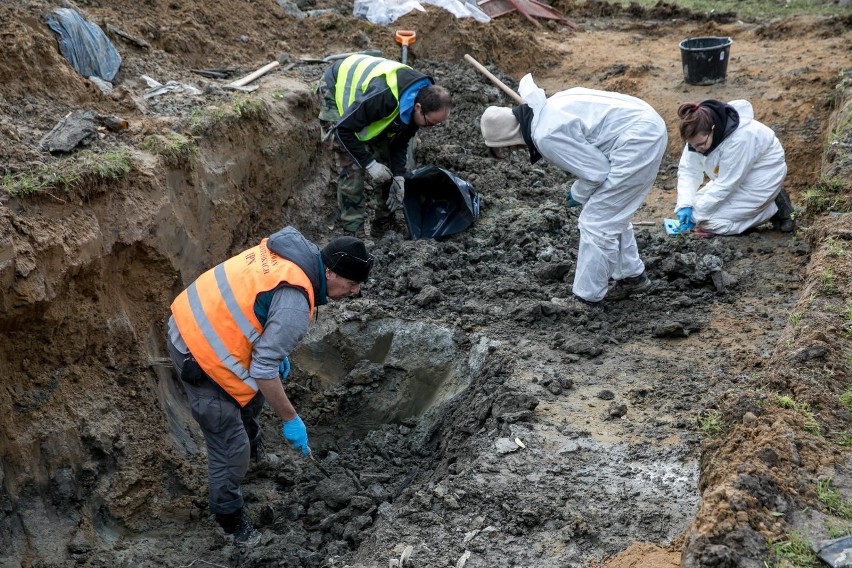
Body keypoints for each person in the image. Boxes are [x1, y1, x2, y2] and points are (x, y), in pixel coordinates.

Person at [165, 226, 372, 546]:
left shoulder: (294, 252)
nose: (356, 291)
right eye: (353, 283)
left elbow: (254, 304)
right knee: (230, 444)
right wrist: (291, 419)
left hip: (199, 314)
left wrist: (270, 351)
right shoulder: (296, 305)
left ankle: (257, 460)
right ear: (330, 273)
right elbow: (262, 370)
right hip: (195, 347)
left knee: (253, 397)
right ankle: (230, 520)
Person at [479, 74, 667, 306]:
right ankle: (632, 277)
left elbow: (596, 172)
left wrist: (578, 193)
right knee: (609, 212)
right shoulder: (549, 108)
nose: (517, 151)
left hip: (637, 139)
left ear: (509, 139)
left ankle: (585, 299)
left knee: (596, 223)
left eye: (510, 149)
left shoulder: (545, 135)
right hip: (643, 125)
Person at [316, 53, 452, 238]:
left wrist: (398, 175)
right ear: (418, 107)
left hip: (365, 109)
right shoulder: (384, 97)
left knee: (387, 164)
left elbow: (400, 140)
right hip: (336, 87)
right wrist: (370, 164)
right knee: (353, 165)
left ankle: (383, 222)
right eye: (429, 123)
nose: (429, 129)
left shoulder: (419, 100)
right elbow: (344, 131)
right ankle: (353, 230)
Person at [674, 99, 793, 236]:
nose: (697, 149)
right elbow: (689, 171)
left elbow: (726, 184)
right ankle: (760, 207)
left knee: (708, 223)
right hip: (734, 176)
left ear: (713, 129)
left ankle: (772, 207)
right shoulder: (697, 137)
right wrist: (684, 205)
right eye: (692, 146)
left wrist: (695, 218)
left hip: (761, 177)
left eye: (700, 145)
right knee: (694, 206)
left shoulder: (739, 139)